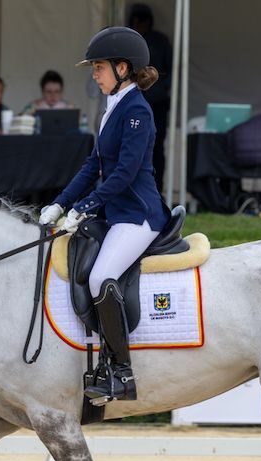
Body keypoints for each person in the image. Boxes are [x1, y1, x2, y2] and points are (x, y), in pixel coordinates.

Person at [39, 26, 169, 405]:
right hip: (116, 212)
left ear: (122, 68)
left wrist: (84, 208)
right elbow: (93, 163)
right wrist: (61, 202)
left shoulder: (137, 111)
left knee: (101, 277)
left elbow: (124, 173)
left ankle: (121, 371)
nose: (94, 74)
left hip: (139, 216)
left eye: (99, 67)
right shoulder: (113, 107)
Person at [129, 3, 173, 193]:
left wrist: (158, 88)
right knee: (130, 146)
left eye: (143, 22)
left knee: (156, 147)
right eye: (137, 22)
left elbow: (172, 71)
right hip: (133, 100)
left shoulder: (160, 40)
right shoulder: (128, 40)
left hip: (157, 103)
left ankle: (157, 188)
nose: (141, 26)